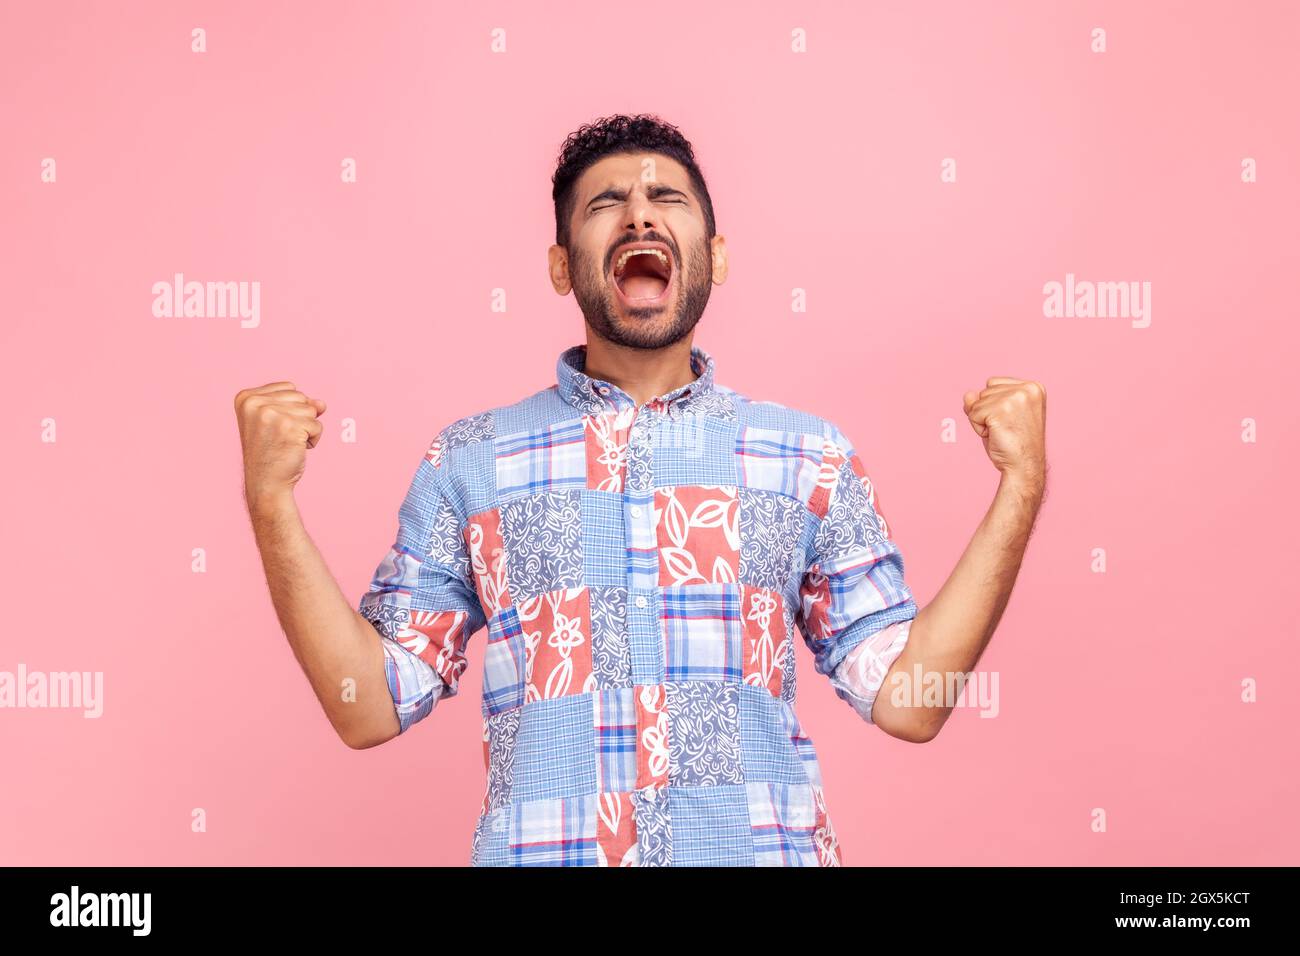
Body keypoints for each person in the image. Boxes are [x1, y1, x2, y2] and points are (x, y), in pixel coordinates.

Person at [233, 114, 1048, 866]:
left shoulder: (807, 457)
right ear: (561, 267)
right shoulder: (469, 460)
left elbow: (911, 701)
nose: (639, 217)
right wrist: (272, 504)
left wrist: (1021, 489)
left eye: (666, 197)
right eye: (607, 204)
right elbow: (367, 706)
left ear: (717, 255)